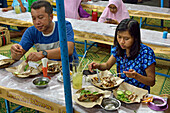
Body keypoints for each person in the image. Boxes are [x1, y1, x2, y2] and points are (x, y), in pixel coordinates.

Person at [88, 19, 156, 92]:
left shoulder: (146, 53)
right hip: (121, 90)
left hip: (139, 92)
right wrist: (97, 66)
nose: (121, 42)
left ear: (135, 38)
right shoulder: (119, 49)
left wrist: (136, 76)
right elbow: (107, 65)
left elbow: (151, 81)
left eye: (126, 39)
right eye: (119, 37)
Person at [10, 0, 79, 63]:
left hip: (69, 69)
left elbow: (68, 50)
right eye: (34, 18)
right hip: (48, 69)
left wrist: (43, 54)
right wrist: (15, 51)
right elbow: (17, 57)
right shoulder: (31, 32)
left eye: (41, 17)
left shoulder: (63, 26)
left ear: (51, 17)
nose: (37, 22)